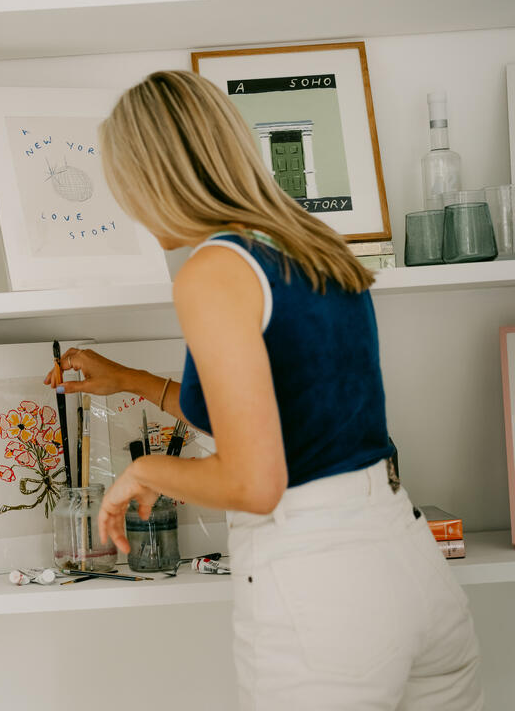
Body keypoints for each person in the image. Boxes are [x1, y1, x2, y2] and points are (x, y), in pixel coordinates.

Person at [45, 71, 482, 709]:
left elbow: (255, 482)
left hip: (321, 591)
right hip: (409, 563)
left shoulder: (212, 272)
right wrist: (130, 382)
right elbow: (288, 413)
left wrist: (146, 469)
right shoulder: (315, 246)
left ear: (155, 175)